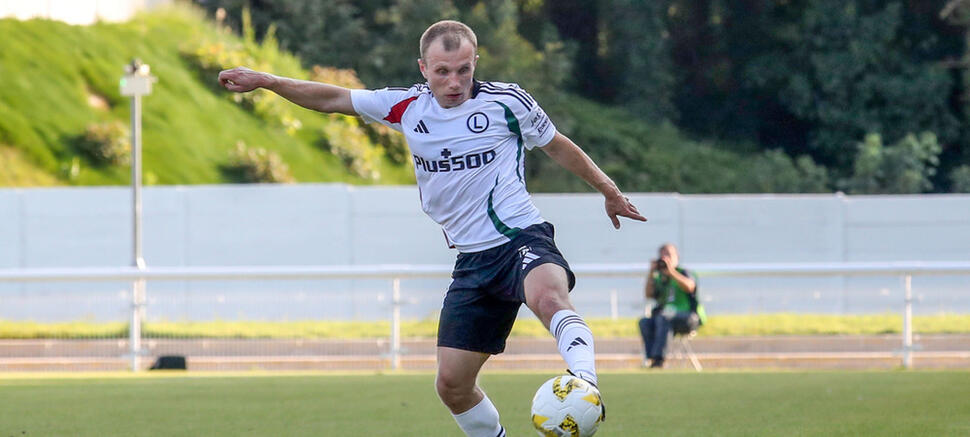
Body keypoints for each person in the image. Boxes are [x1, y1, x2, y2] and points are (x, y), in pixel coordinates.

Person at [219, 20, 646, 437]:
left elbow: (557, 145)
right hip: (472, 262)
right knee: (452, 386)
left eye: (464, 70)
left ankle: (585, 383)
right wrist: (268, 80)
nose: (455, 81)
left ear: (475, 62)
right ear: (424, 68)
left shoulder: (507, 103)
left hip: (520, 236)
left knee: (549, 298)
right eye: (443, 71)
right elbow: (332, 97)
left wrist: (608, 190)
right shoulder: (406, 107)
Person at [639, 243, 705, 368]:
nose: (665, 258)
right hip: (663, 319)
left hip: (688, 317)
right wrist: (651, 272)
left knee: (663, 318)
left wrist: (671, 272)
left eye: (668, 254)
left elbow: (690, 286)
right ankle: (651, 358)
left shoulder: (684, 272)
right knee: (645, 322)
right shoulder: (659, 278)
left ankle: (659, 361)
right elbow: (648, 294)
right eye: (662, 255)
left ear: (677, 257)